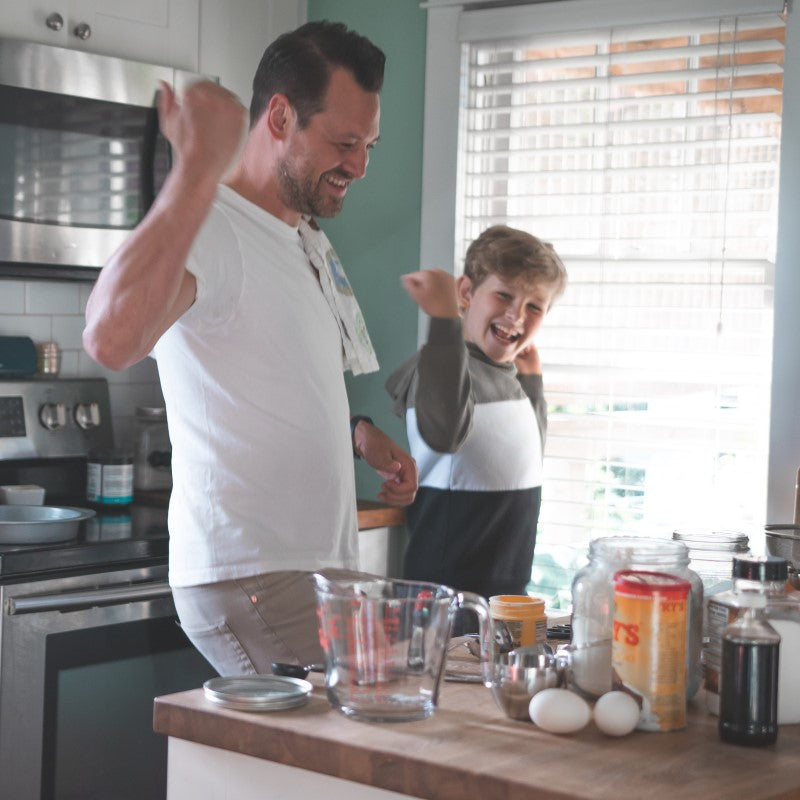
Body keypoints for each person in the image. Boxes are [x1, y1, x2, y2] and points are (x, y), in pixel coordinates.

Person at [82, 21, 418, 676]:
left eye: (369, 145)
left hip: (310, 566)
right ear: (281, 116)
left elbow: (272, 375)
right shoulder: (209, 223)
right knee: (374, 746)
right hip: (255, 569)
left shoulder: (300, 235)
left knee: (361, 762)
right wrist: (196, 172)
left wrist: (359, 434)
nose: (360, 165)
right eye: (345, 142)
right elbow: (110, 339)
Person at [385, 225, 567, 620]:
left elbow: (529, 457)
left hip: (506, 600)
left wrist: (532, 384)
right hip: (444, 606)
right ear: (466, 294)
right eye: (504, 295)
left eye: (535, 306)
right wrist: (443, 319)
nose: (517, 314)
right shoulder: (441, 369)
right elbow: (443, 431)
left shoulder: (510, 378)